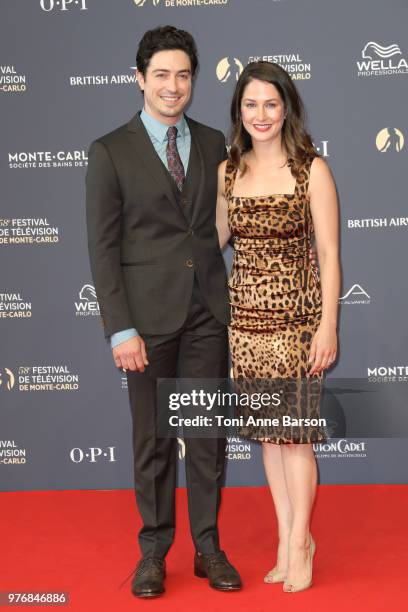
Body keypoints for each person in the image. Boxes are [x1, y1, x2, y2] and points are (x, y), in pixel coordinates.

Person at [85, 26, 242, 598]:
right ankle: (154, 551)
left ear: (193, 81)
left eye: (183, 75)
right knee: (152, 440)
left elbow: (220, 225)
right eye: (161, 75)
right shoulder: (110, 150)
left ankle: (208, 548)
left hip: (207, 312)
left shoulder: (212, 143)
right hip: (144, 323)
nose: (173, 86)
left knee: (205, 436)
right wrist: (119, 328)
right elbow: (103, 248)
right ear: (139, 79)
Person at [216, 61, 340, 593]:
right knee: (269, 440)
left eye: (271, 103)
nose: (261, 115)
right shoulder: (228, 171)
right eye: (251, 104)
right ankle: (287, 536)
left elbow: (330, 255)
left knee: (295, 440)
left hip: (297, 322)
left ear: (286, 107)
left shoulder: (311, 169)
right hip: (245, 324)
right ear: (239, 111)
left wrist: (327, 326)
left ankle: (299, 542)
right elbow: (212, 241)